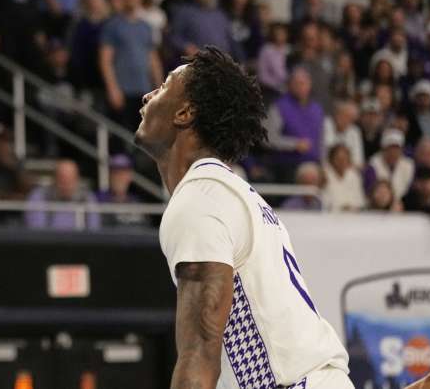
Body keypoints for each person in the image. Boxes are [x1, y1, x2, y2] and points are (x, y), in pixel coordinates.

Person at [134, 47, 352, 389]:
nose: (148, 94)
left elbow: (200, 353)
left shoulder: (200, 197)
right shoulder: (236, 196)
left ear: (184, 113)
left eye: (162, 87)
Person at [100, 0, 162, 135]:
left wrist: (160, 88)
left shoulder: (146, 27)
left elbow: (153, 59)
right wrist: (112, 88)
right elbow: (105, 60)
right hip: (123, 89)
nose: (132, 0)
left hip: (144, 89)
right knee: (121, 133)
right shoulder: (113, 25)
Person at [24, 159, 100, 230]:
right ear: (54, 179)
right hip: (47, 241)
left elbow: (93, 229)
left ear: (77, 179)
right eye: (62, 178)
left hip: (80, 242)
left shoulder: (87, 197)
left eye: (70, 178)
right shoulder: (40, 195)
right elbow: (36, 230)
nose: (66, 183)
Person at [94, 154, 147, 228]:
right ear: (110, 175)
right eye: (116, 173)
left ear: (129, 176)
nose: (119, 178)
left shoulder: (136, 202)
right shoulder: (99, 199)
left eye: (123, 173)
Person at [322, 144, 366, 212]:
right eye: (338, 159)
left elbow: (359, 201)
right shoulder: (324, 175)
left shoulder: (354, 176)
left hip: (353, 216)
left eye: (345, 159)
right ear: (331, 159)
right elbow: (325, 202)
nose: (342, 162)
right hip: (331, 216)